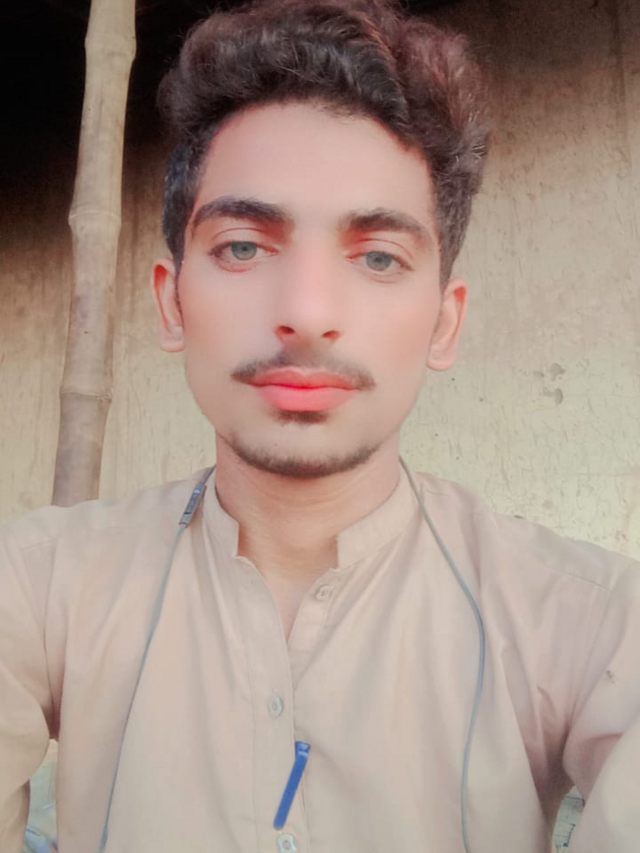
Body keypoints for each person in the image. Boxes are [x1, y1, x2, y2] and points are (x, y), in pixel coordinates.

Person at [1, 0, 639, 851]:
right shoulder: (41, 583)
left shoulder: (586, 618)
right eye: (243, 246)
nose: (305, 313)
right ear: (171, 302)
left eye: (378, 257)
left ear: (444, 322)